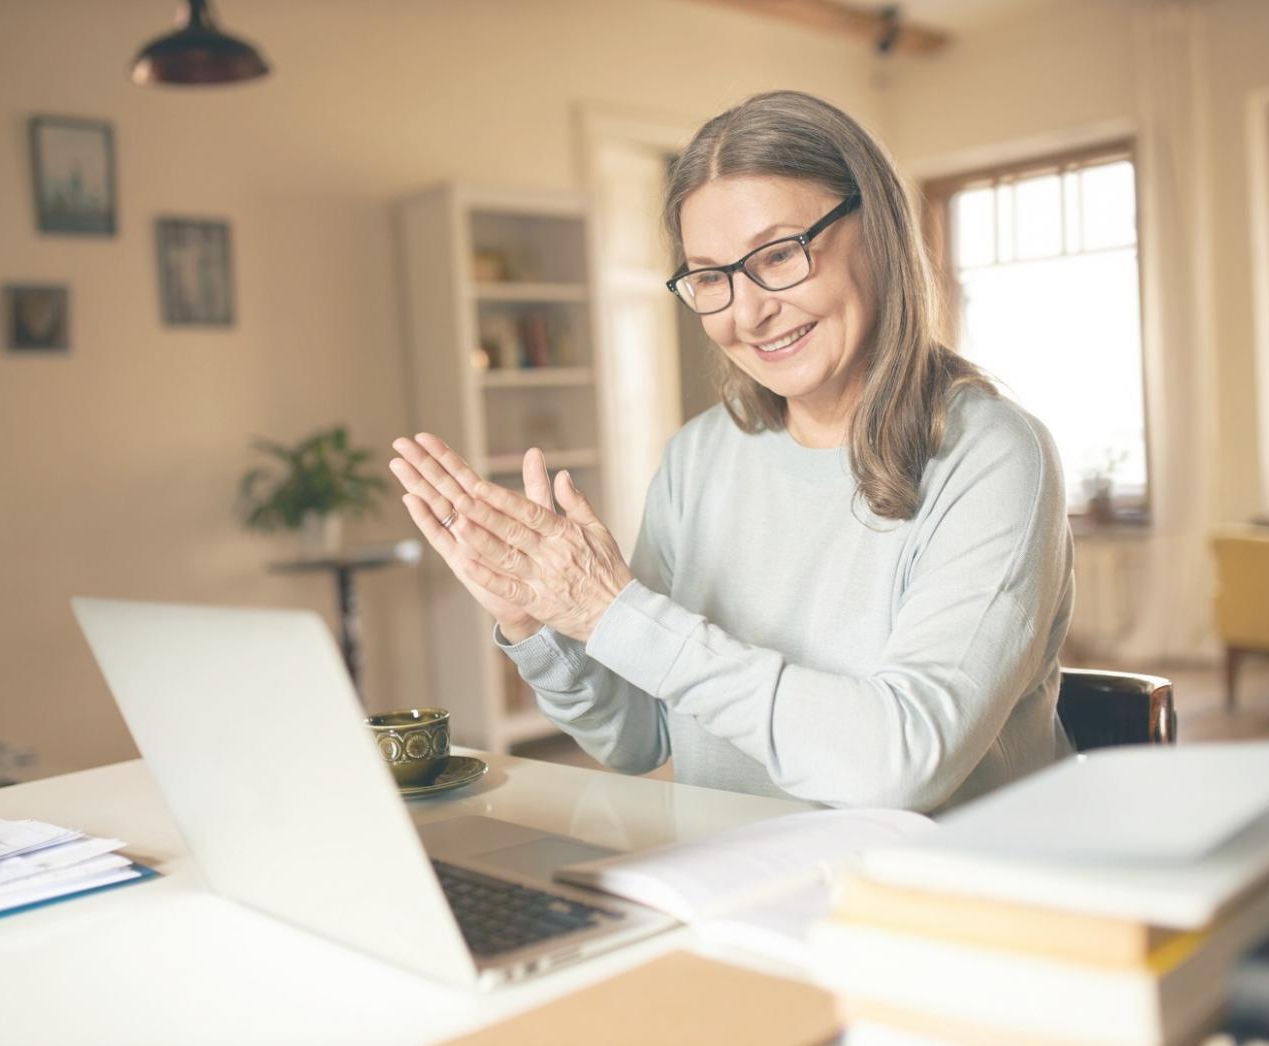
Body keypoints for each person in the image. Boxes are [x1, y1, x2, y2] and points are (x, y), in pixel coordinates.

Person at [390, 90, 1073, 812]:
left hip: (933, 903)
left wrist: (611, 612)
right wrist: (534, 620)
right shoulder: (698, 457)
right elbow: (636, 736)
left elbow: (897, 767)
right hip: (737, 884)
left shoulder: (992, 456)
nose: (747, 313)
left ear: (875, 229)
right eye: (711, 277)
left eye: (779, 254)